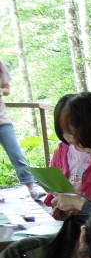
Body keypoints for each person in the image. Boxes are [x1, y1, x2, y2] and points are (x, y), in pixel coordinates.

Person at [43, 94, 91, 219]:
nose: (71, 137)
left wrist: (79, 204)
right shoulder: (62, 150)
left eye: (74, 131)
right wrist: (61, 203)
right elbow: (54, 184)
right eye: (65, 131)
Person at [0, 59, 46, 203]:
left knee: (15, 153)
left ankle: (32, 188)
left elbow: (7, 89)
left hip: (3, 120)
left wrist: (1, 91)